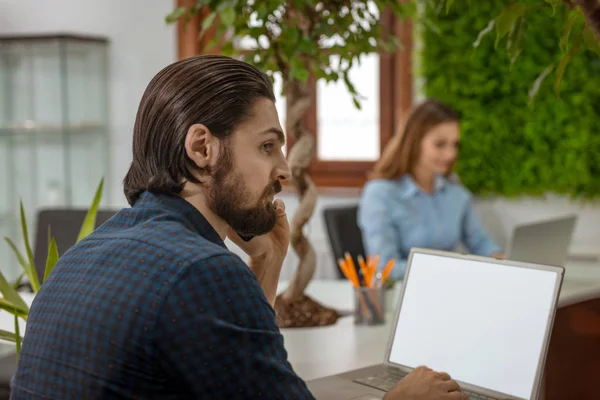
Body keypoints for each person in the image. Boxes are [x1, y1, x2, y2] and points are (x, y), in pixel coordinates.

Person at [11, 56, 466, 400]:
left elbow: (242, 380)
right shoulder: (201, 270)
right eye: (268, 146)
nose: (285, 171)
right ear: (202, 147)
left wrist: (266, 266)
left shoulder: (83, 254)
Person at [358, 99, 502, 281]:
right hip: (404, 295)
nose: (450, 154)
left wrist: (501, 261)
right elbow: (385, 267)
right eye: (440, 144)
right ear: (414, 142)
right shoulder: (380, 193)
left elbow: (480, 242)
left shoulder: (455, 192)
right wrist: (450, 270)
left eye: (455, 144)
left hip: (450, 289)